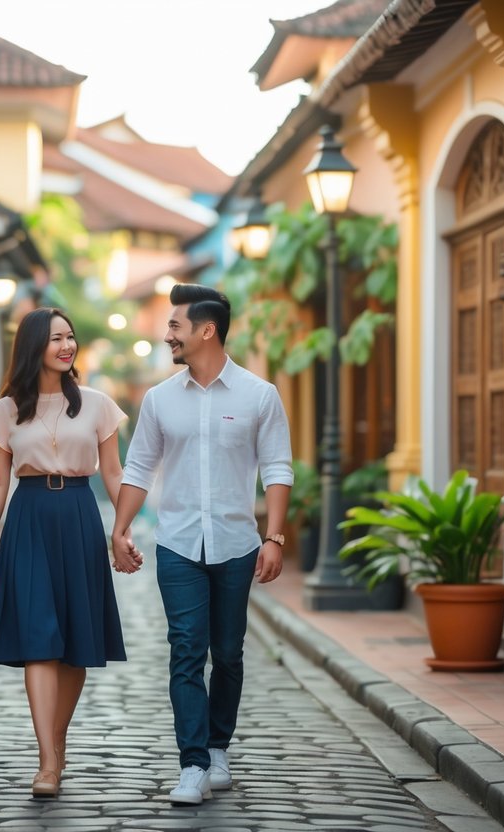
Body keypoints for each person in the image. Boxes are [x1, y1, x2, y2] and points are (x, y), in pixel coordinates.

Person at [110, 283, 292, 806]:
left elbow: (278, 468)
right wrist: (120, 530)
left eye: (175, 326)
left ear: (205, 330)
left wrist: (273, 537)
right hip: (178, 544)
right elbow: (140, 467)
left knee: (229, 653)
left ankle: (217, 748)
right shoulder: (160, 399)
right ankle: (191, 763)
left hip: (237, 543)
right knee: (187, 650)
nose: (168, 334)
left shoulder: (260, 395)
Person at [0, 307, 129, 799]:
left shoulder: (98, 405)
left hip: (81, 516)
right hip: (29, 518)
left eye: (71, 337)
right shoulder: (6, 410)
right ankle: (47, 762)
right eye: (56, 338)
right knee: (40, 637)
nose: (67, 346)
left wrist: (121, 529)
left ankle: (55, 745)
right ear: (33, 346)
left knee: (75, 643)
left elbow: (113, 473)